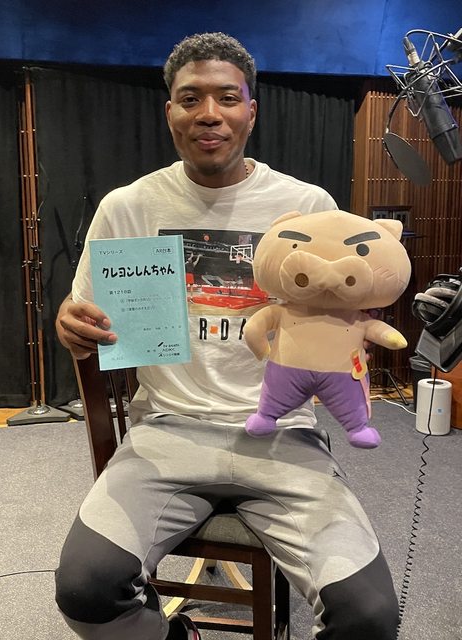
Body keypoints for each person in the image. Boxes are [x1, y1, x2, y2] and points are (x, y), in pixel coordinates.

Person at [55, 32, 399, 640]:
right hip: (166, 433)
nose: (209, 113)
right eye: (191, 98)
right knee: (85, 590)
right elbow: (84, 314)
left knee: (370, 618)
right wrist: (72, 325)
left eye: (228, 98)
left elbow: (352, 312)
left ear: (251, 111)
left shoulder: (307, 204)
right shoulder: (127, 206)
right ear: (170, 112)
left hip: (285, 437)